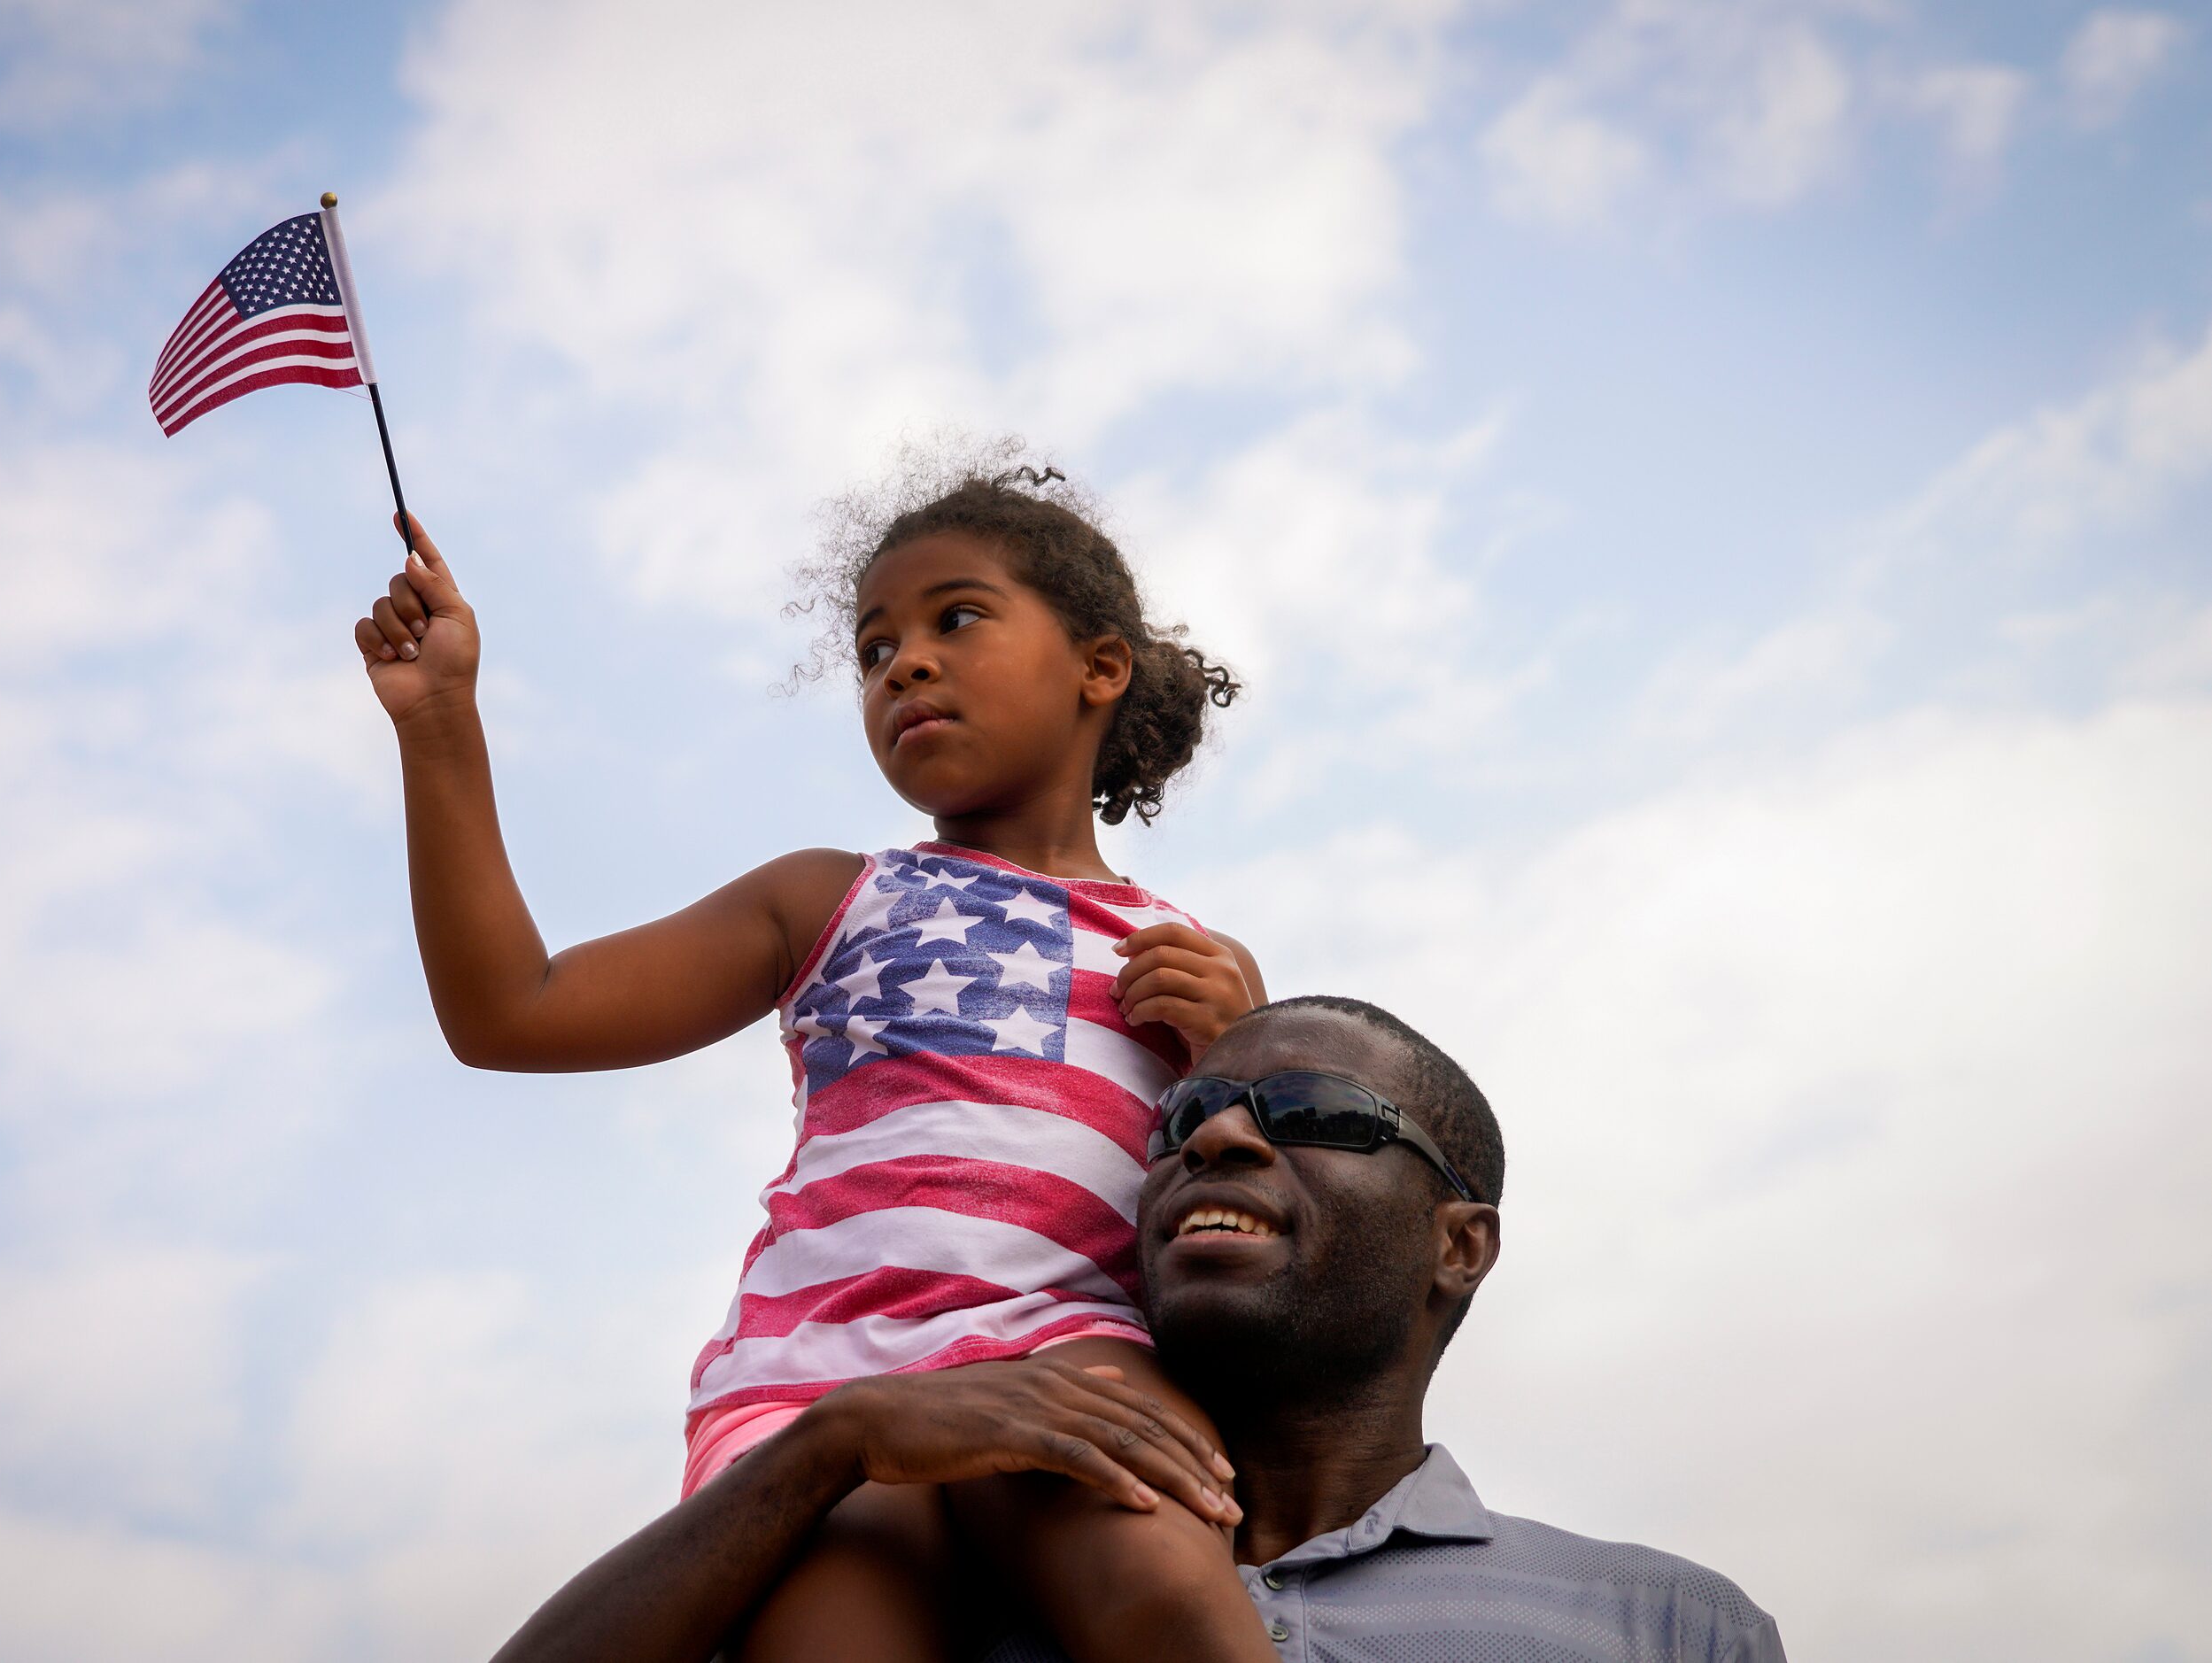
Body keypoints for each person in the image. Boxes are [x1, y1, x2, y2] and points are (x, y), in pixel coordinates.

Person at [351, 460, 1281, 1660]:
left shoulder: (1191, 953)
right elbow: (511, 1013)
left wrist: (1234, 1052)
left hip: (1074, 1339)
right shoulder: (828, 897)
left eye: (955, 617)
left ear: (1099, 668)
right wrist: (439, 726)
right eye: (871, 647)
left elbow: (1274, 1205)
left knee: (1164, 1595)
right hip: (820, 1377)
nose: (904, 663)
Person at [488, 995, 1790, 1663]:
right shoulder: (929, 1579)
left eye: (1312, 1113)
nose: (1217, 1134)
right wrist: (829, 1444)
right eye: (1182, 1122)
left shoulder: (1662, 1625)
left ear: (1459, 1243)